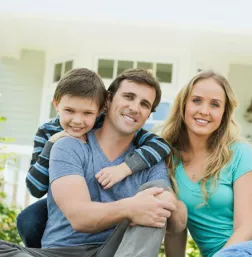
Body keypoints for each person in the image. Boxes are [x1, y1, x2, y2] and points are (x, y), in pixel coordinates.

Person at [0, 68, 187, 257]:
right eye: (128, 97)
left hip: (114, 250)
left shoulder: (151, 159)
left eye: (145, 104)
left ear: (148, 114)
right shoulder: (68, 143)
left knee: (157, 195)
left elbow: (175, 220)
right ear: (107, 100)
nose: (135, 108)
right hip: (59, 252)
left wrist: (172, 204)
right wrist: (132, 207)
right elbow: (79, 218)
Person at [162, 70, 252, 257]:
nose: (204, 111)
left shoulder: (240, 153)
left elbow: (245, 229)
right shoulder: (169, 159)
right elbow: (176, 226)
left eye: (215, 104)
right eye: (196, 100)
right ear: (183, 105)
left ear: (224, 113)